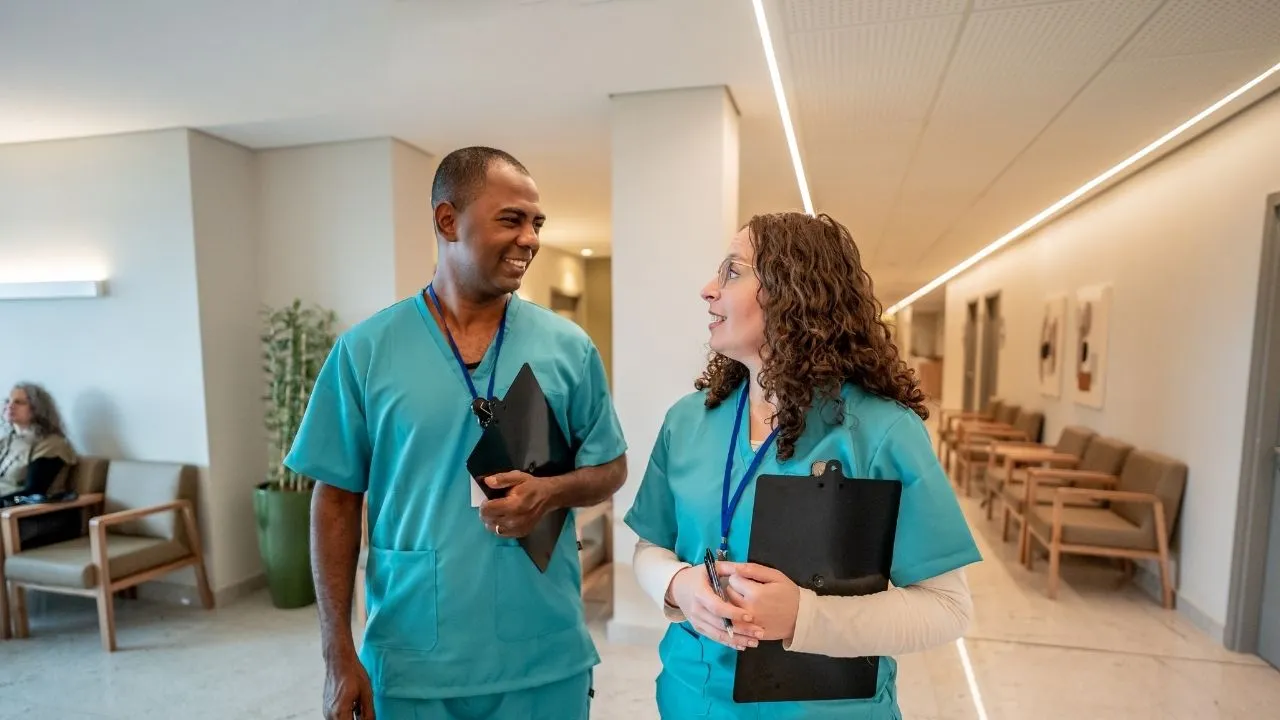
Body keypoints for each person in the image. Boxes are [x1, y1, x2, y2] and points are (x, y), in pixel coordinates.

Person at [285, 146, 628, 720]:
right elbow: (336, 499)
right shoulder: (366, 351)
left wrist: (552, 492)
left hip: (543, 650)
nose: (531, 239)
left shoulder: (567, 348)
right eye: (511, 219)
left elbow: (610, 468)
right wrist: (337, 652)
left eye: (537, 223)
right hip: (415, 653)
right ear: (448, 221)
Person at [625, 212, 981, 719]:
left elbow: (946, 607)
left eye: (733, 271)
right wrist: (677, 585)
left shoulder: (879, 432)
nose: (708, 289)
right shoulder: (689, 420)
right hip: (693, 698)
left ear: (794, 291)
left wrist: (804, 617)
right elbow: (649, 546)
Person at [1, 382, 77, 506]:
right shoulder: (6, 441)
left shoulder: (51, 444)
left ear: (37, 409)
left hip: (31, 514)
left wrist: (3, 502)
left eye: (19, 402)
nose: (10, 406)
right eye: (8, 401)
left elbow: (33, 494)